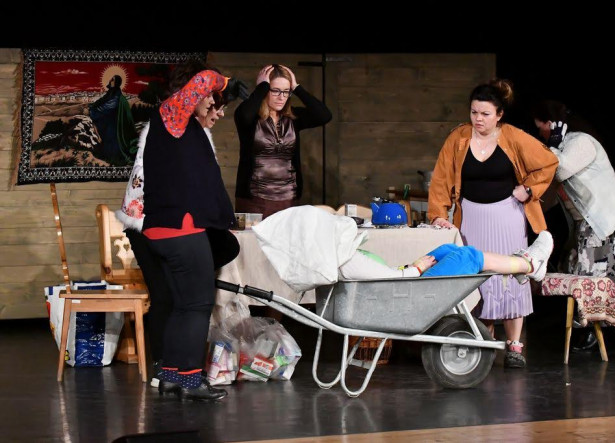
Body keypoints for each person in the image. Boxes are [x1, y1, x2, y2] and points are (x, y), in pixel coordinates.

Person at [427, 79, 559, 368]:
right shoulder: (459, 138)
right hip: (471, 218)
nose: (478, 119)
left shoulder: (513, 136)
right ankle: (483, 341)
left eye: (485, 114)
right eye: (474, 112)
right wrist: (438, 214)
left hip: (507, 217)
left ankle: (514, 346)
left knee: (511, 275)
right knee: (478, 278)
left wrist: (529, 189)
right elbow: (441, 178)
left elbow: (548, 162)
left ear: (499, 114)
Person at [134, 63, 239, 402]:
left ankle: (170, 376)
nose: (210, 102)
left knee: (182, 306)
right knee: (197, 305)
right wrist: (224, 82)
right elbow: (205, 80)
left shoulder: (184, 127)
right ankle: (192, 381)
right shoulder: (171, 116)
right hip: (180, 229)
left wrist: (217, 101)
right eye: (209, 97)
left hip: (169, 229)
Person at [532, 100, 615, 350]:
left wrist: (552, 147)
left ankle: (596, 329)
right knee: (587, 269)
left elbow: (559, 171)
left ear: (552, 124)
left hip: (604, 215)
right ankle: (595, 328)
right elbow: (551, 191)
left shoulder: (580, 142)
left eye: (541, 128)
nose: (540, 134)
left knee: (596, 272)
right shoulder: (561, 148)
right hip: (588, 218)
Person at [234, 64, 332, 218]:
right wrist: (262, 87)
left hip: (289, 199)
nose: (281, 97)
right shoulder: (252, 118)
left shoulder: (293, 117)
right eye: (275, 90)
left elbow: (324, 115)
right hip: (254, 200)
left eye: (286, 91)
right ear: (265, 89)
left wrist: (297, 87)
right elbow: (243, 115)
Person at [340, 230, 554, 283]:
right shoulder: (347, 259)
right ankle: (529, 265)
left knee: (447, 249)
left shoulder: (345, 253)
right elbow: (384, 281)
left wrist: (409, 267)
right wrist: (415, 269)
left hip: (399, 279)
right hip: (402, 288)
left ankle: (520, 266)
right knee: (467, 256)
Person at [88, 74, 138, 165]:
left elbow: (107, 107)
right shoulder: (110, 93)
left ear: (117, 83)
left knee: (111, 141)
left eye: (113, 80)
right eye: (111, 79)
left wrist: (93, 111)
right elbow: (102, 101)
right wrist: (93, 106)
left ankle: (113, 159)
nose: (110, 80)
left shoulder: (116, 96)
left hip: (115, 124)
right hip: (110, 120)